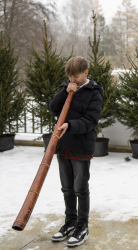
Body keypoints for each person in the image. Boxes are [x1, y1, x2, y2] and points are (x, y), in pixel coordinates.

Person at [47, 56, 103, 247]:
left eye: (76, 76)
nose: (72, 80)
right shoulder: (67, 86)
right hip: (63, 146)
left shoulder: (94, 92)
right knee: (67, 188)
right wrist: (64, 91)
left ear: (86, 73)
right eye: (70, 76)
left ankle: (82, 226)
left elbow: (90, 121)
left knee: (80, 188)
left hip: (81, 146)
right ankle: (70, 223)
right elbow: (53, 108)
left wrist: (69, 125)